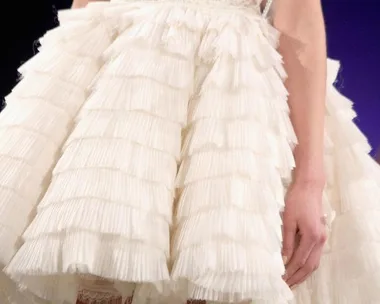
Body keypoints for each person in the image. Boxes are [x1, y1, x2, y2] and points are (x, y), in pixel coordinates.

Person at [0, 0, 380, 303]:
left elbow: (297, 18)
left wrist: (309, 181)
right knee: (100, 268)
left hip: (230, 93)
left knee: (213, 270)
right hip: (117, 87)